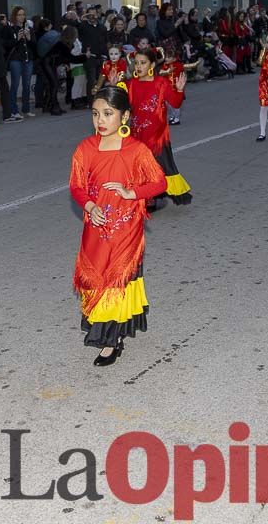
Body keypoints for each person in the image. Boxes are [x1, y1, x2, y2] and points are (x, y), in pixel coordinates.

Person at [69, 86, 167, 367]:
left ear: (124, 117)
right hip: (96, 225)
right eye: (96, 113)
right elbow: (76, 186)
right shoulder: (85, 148)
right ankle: (105, 326)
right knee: (95, 274)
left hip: (126, 227)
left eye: (108, 114)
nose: (100, 120)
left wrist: (131, 193)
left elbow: (159, 182)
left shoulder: (137, 150)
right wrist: (89, 206)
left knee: (115, 278)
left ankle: (111, 341)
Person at [125, 47, 190, 207]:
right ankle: (146, 197)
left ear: (152, 65)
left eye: (143, 63)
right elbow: (122, 106)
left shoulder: (161, 83)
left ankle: (153, 195)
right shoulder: (132, 84)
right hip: (137, 135)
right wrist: (114, 87)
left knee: (162, 167)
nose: (139, 66)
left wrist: (180, 90)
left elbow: (175, 102)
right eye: (137, 63)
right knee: (139, 168)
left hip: (157, 136)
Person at [2, 6, 34, 122]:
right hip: (15, 59)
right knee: (15, 84)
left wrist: (29, 38)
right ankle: (13, 110)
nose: (22, 17)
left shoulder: (29, 28)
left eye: (23, 14)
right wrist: (17, 38)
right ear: (15, 16)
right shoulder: (10, 29)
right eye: (19, 15)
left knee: (27, 84)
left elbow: (34, 45)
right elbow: (6, 44)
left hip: (27, 59)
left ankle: (26, 109)